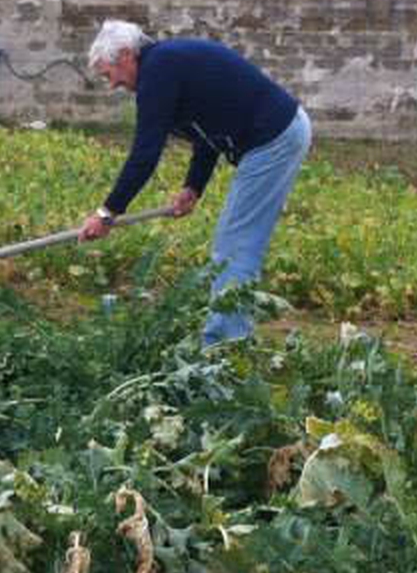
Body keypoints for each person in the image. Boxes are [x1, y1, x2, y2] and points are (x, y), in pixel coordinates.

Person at [79, 19, 313, 344]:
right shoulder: (166, 65)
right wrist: (194, 186)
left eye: (109, 74)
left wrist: (107, 213)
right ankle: (229, 339)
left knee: (235, 244)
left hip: (274, 138)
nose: (112, 84)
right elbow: (207, 129)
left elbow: (145, 153)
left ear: (126, 55)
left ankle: (225, 347)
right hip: (277, 134)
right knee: (235, 242)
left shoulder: (159, 70)